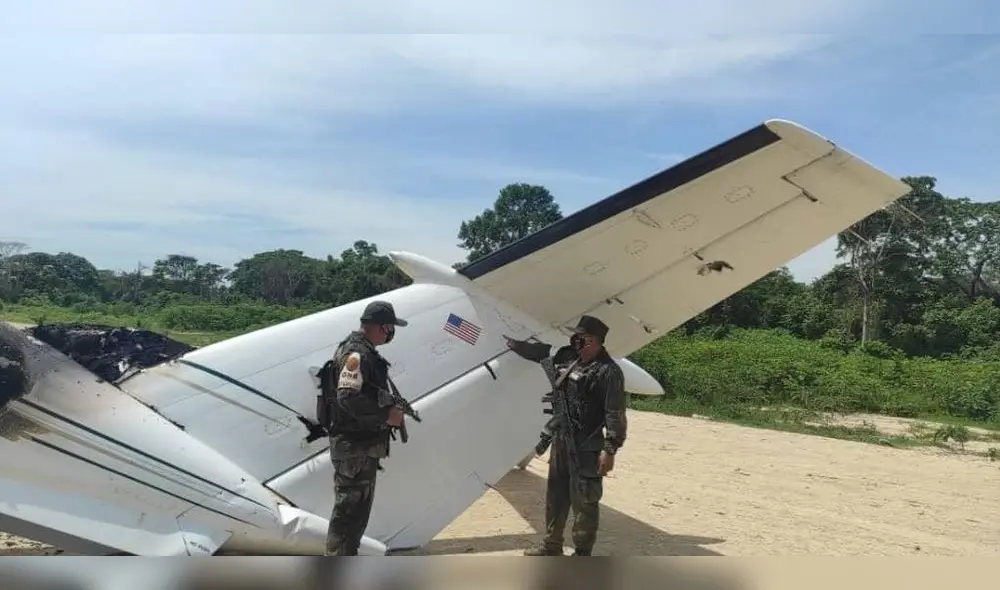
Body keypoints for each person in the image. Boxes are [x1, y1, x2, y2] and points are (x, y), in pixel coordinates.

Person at [509, 315, 628, 556]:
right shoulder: (569, 358)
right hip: (562, 440)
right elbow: (543, 353)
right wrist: (517, 346)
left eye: (580, 337)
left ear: (593, 340)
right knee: (556, 495)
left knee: (584, 501)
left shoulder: (608, 372)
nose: (574, 340)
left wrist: (610, 448)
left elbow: (615, 412)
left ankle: (582, 554)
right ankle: (552, 545)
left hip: (587, 446)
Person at [322, 300, 408, 556]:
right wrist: (386, 415)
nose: (391, 333)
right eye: (390, 327)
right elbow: (347, 397)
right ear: (382, 327)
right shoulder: (357, 354)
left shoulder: (356, 350)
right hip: (355, 449)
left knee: (354, 516)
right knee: (348, 516)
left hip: (359, 449)